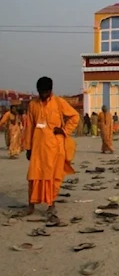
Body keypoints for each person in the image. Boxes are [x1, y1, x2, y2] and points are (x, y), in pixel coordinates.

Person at [23, 76, 79, 216]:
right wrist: (28, 147)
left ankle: (51, 204)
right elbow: (29, 126)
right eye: (41, 92)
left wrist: (64, 130)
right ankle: (31, 205)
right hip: (37, 147)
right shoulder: (33, 105)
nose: (43, 95)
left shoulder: (59, 102)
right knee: (34, 175)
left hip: (55, 147)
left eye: (46, 92)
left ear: (51, 90)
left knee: (52, 177)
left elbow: (75, 116)